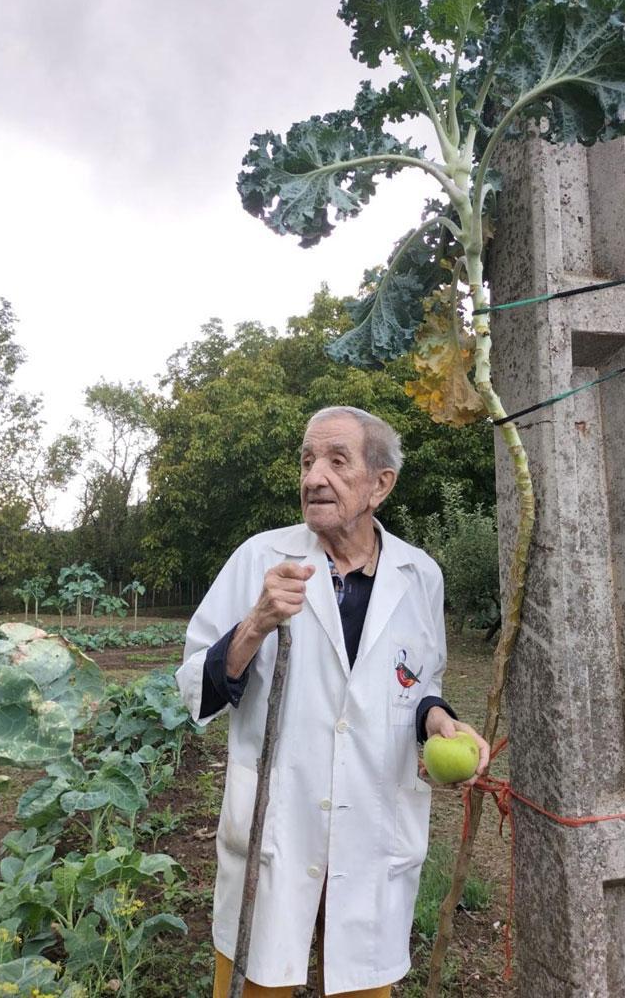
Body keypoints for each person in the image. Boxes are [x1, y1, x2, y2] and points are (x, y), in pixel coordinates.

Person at [176, 406, 491, 997]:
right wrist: (255, 624)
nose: (314, 476)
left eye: (336, 461)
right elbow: (196, 687)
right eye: (307, 460)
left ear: (381, 483)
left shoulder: (419, 575)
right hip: (279, 823)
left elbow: (418, 685)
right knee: (257, 973)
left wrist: (439, 721)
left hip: (373, 822)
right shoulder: (259, 561)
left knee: (361, 980)